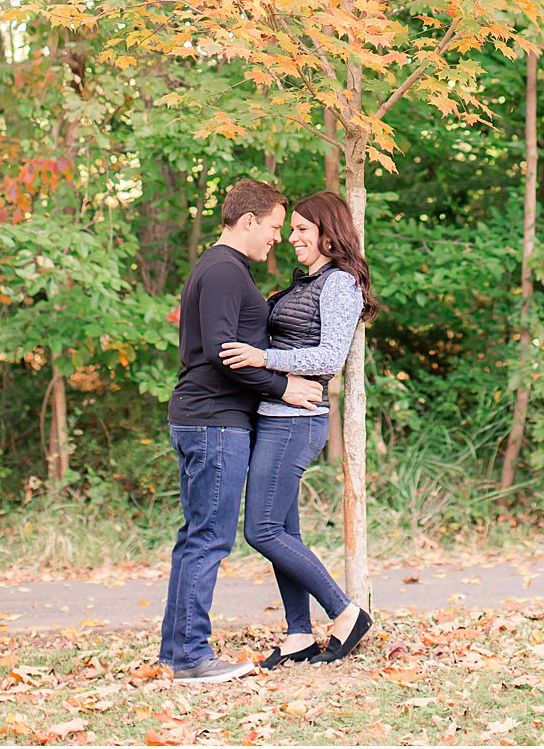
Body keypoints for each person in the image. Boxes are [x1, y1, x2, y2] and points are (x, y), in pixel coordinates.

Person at [159, 178, 325, 683]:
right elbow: (222, 350)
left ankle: (175, 651)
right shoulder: (227, 270)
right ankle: (191, 656)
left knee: (196, 537)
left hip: (205, 418)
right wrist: (284, 386)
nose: (278, 238)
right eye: (274, 227)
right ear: (248, 221)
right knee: (209, 538)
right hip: (214, 422)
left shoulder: (221, 269)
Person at [219, 191, 379, 667]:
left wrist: (263, 357)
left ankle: (346, 613)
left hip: (297, 421)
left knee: (263, 530)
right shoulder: (302, 284)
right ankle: (298, 635)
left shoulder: (340, 284)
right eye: (290, 230)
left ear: (329, 234)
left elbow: (329, 357)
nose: (291, 237)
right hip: (274, 416)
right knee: (283, 530)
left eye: (302, 229)